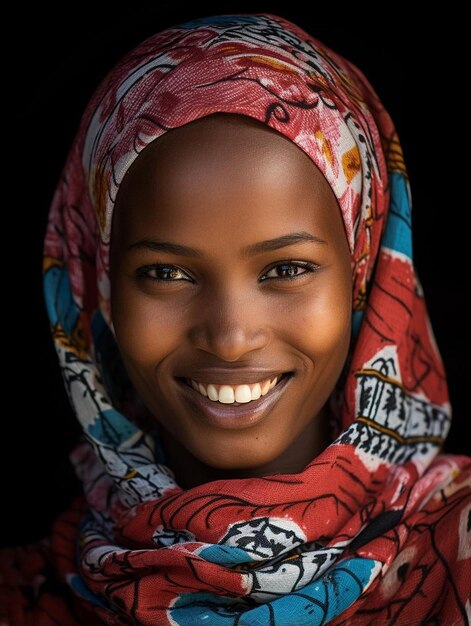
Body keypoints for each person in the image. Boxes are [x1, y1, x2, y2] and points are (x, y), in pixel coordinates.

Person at [1, 12, 469, 626]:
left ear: (365, 276)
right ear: (100, 291)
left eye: (286, 269)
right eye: (166, 273)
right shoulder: (23, 600)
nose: (229, 336)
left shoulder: (458, 556)